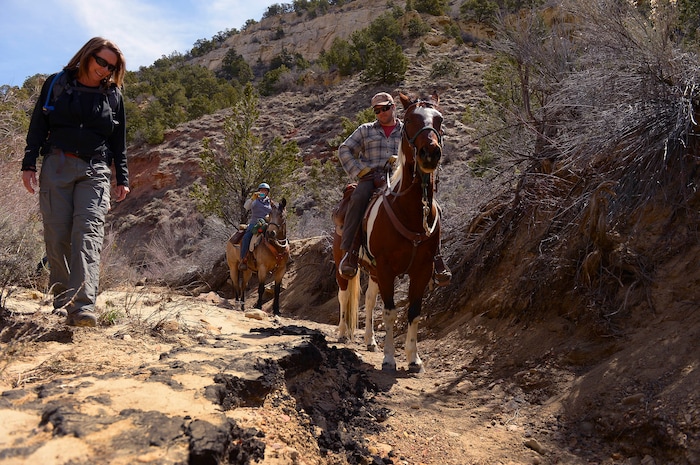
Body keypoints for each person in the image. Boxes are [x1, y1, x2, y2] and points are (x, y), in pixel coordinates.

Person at [21, 37, 130, 327]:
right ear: (87, 56)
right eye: (101, 62)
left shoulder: (113, 95)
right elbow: (37, 125)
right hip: (57, 164)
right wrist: (29, 163)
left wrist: (123, 177)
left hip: (95, 170)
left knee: (88, 236)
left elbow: (118, 142)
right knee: (57, 237)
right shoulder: (56, 83)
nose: (105, 70)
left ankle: (82, 307)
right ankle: (62, 300)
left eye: (112, 67)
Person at [337, 92, 451, 285]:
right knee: (357, 200)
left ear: (394, 107)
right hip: (371, 178)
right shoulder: (365, 130)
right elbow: (344, 149)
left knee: (434, 207)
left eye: (385, 108)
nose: (381, 112)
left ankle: (437, 257)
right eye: (377, 110)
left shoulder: (407, 127)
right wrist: (359, 171)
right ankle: (351, 253)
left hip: (400, 177)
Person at [239, 182, 273, 270]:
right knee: (246, 237)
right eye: (261, 190)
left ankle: (285, 255)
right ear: (258, 191)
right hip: (255, 223)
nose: (263, 192)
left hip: (267, 223)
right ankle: (243, 259)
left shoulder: (270, 201)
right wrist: (251, 199)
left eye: (265, 191)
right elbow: (246, 207)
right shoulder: (254, 200)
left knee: (278, 234)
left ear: (267, 192)